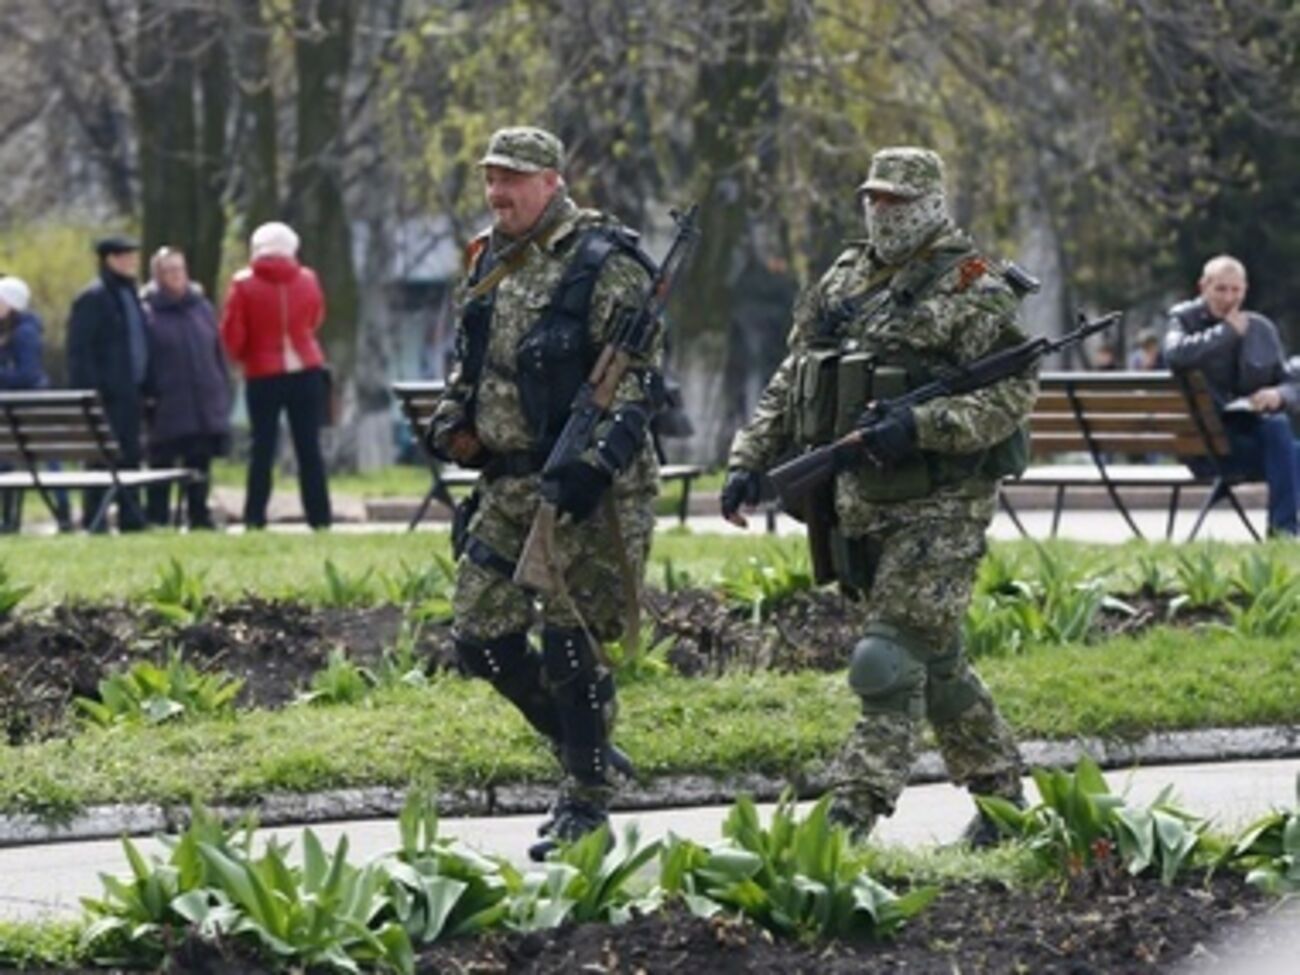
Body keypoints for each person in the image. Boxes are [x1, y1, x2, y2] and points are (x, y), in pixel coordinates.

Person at [721, 147, 1035, 846]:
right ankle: (1006, 804)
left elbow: (1011, 392)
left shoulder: (973, 283)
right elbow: (795, 374)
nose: (883, 212)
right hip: (856, 503)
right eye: (874, 199)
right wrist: (750, 459)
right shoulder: (845, 275)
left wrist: (922, 424)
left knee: (886, 660)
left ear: (929, 203)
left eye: (897, 200)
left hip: (941, 505)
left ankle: (846, 819)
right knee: (938, 661)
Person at [427, 126, 660, 859]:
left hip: (591, 484)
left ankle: (585, 804)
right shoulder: (490, 256)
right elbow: (472, 359)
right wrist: (451, 418)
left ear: (553, 181)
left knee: (570, 642)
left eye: (514, 179)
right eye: (492, 178)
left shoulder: (603, 262)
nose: (499, 193)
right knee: (479, 634)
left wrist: (596, 463)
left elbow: (640, 377)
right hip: (511, 479)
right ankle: (582, 746)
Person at [1165, 255, 1300, 537]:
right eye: (1221, 289)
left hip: (1251, 441)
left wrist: (1279, 395)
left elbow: (1290, 382)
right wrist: (1226, 332)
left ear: (1245, 289)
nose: (1229, 297)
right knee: (1284, 442)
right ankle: (1284, 530)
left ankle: (1283, 530)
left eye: (1235, 290)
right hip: (1207, 447)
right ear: (1203, 286)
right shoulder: (1183, 320)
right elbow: (1176, 356)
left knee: (1279, 430)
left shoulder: (1261, 329)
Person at [220, 221, 332, 530]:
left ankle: (255, 518)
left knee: (262, 448)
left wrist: (244, 357)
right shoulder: (308, 279)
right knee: (309, 447)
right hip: (306, 369)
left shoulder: (243, 284)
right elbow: (315, 317)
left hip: (262, 372)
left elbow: (234, 334)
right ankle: (320, 518)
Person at [141, 248, 231, 529]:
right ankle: (157, 517)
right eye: (169, 270)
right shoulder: (147, 312)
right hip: (167, 400)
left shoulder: (201, 307)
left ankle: (199, 515)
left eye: (180, 269)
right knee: (162, 462)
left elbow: (216, 350)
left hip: (203, 397)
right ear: (158, 275)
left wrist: (220, 386)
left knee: (200, 462)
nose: (176, 276)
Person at [66, 236, 150, 532]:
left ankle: (131, 518)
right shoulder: (93, 298)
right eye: (125, 256)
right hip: (107, 396)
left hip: (131, 394)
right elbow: (80, 351)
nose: (131, 261)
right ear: (110, 259)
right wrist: (91, 393)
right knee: (101, 461)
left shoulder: (130, 295)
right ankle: (96, 518)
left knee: (130, 457)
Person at [0, 275, 72, 531]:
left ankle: (62, 508)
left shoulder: (25, 333)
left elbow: (27, 374)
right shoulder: (12, 331)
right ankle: (8, 516)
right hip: (17, 409)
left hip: (31, 408)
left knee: (49, 459)